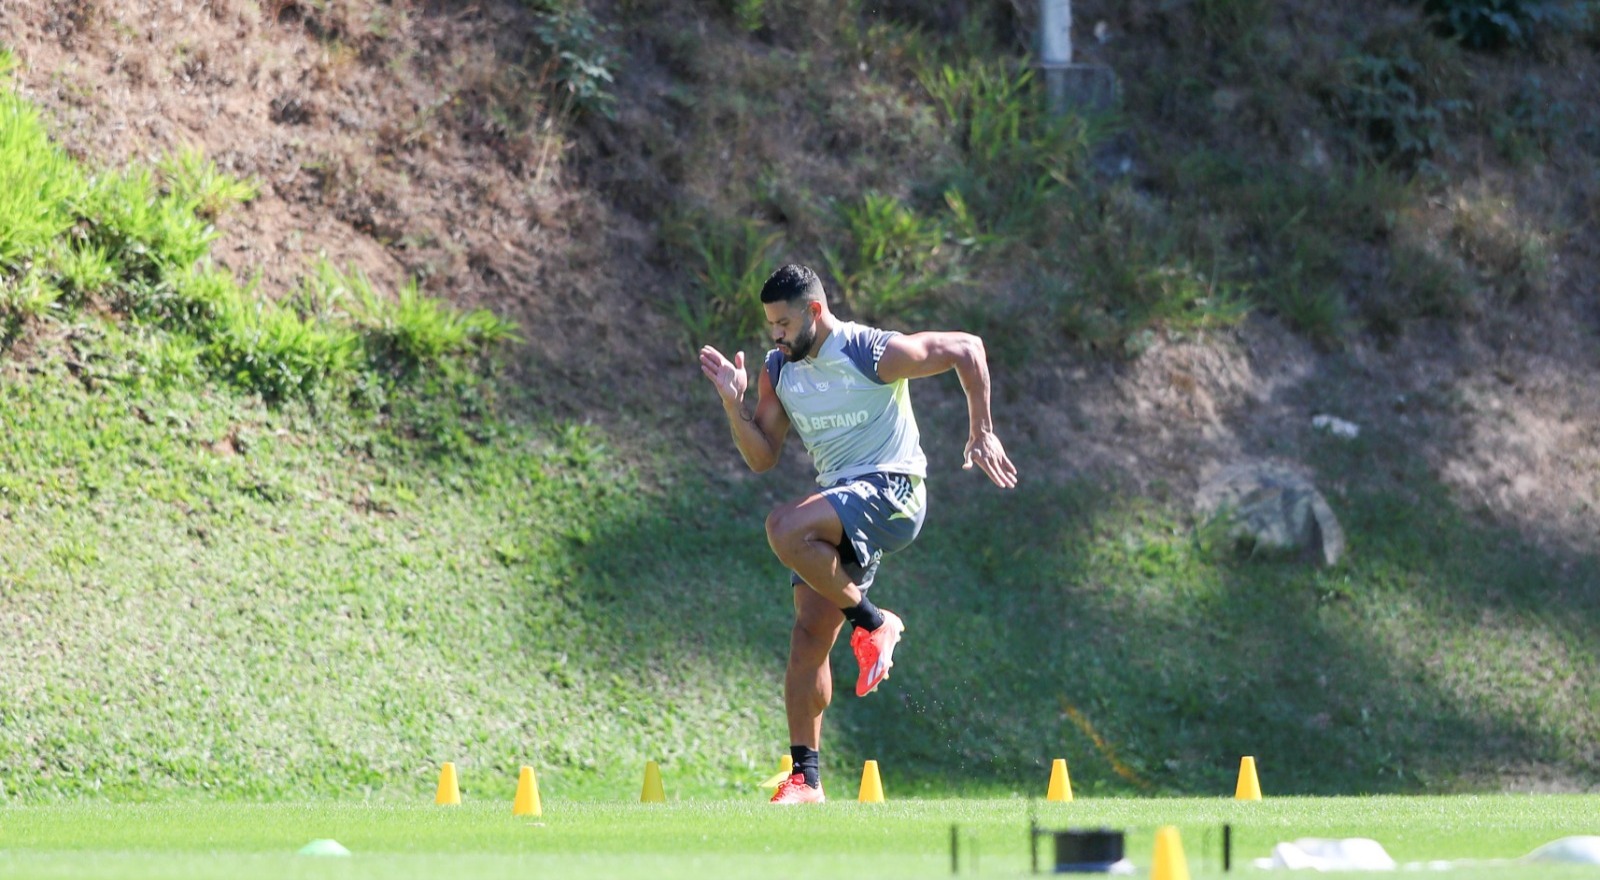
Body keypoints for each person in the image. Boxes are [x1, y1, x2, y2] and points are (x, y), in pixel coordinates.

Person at [698, 264, 1018, 805]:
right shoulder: (779, 371)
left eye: (782, 322)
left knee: (782, 526)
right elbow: (762, 458)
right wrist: (734, 405)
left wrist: (981, 430)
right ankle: (806, 780)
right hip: (843, 507)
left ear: (815, 312)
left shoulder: (869, 351)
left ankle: (873, 621)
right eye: (769, 324)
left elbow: (968, 347)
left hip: (894, 493)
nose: (774, 334)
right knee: (807, 638)